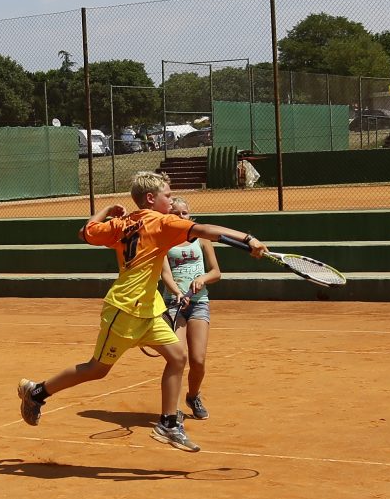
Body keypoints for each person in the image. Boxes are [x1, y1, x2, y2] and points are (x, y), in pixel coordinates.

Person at [17, 171, 267, 452]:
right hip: (124, 309)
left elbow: (85, 232)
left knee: (177, 357)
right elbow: (205, 229)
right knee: (97, 369)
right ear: (151, 198)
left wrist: (107, 211)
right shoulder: (161, 222)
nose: (172, 202)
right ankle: (37, 392)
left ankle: (169, 424)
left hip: (148, 310)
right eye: (168, 196)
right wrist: (249, 240)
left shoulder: (123, 223)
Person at [159, 195, 223, 421]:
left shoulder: (201, 239)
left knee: (198, 360)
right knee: (178, 357)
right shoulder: (163, 240)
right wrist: (177, 293)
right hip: (174, 305)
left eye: (184, 213)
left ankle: (193, 395)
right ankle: (172, 408)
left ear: (190, 215)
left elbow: (216, 272)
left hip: (199, 304)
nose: (180, 217)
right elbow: (165, 274)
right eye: (175, 214)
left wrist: (203, 279)